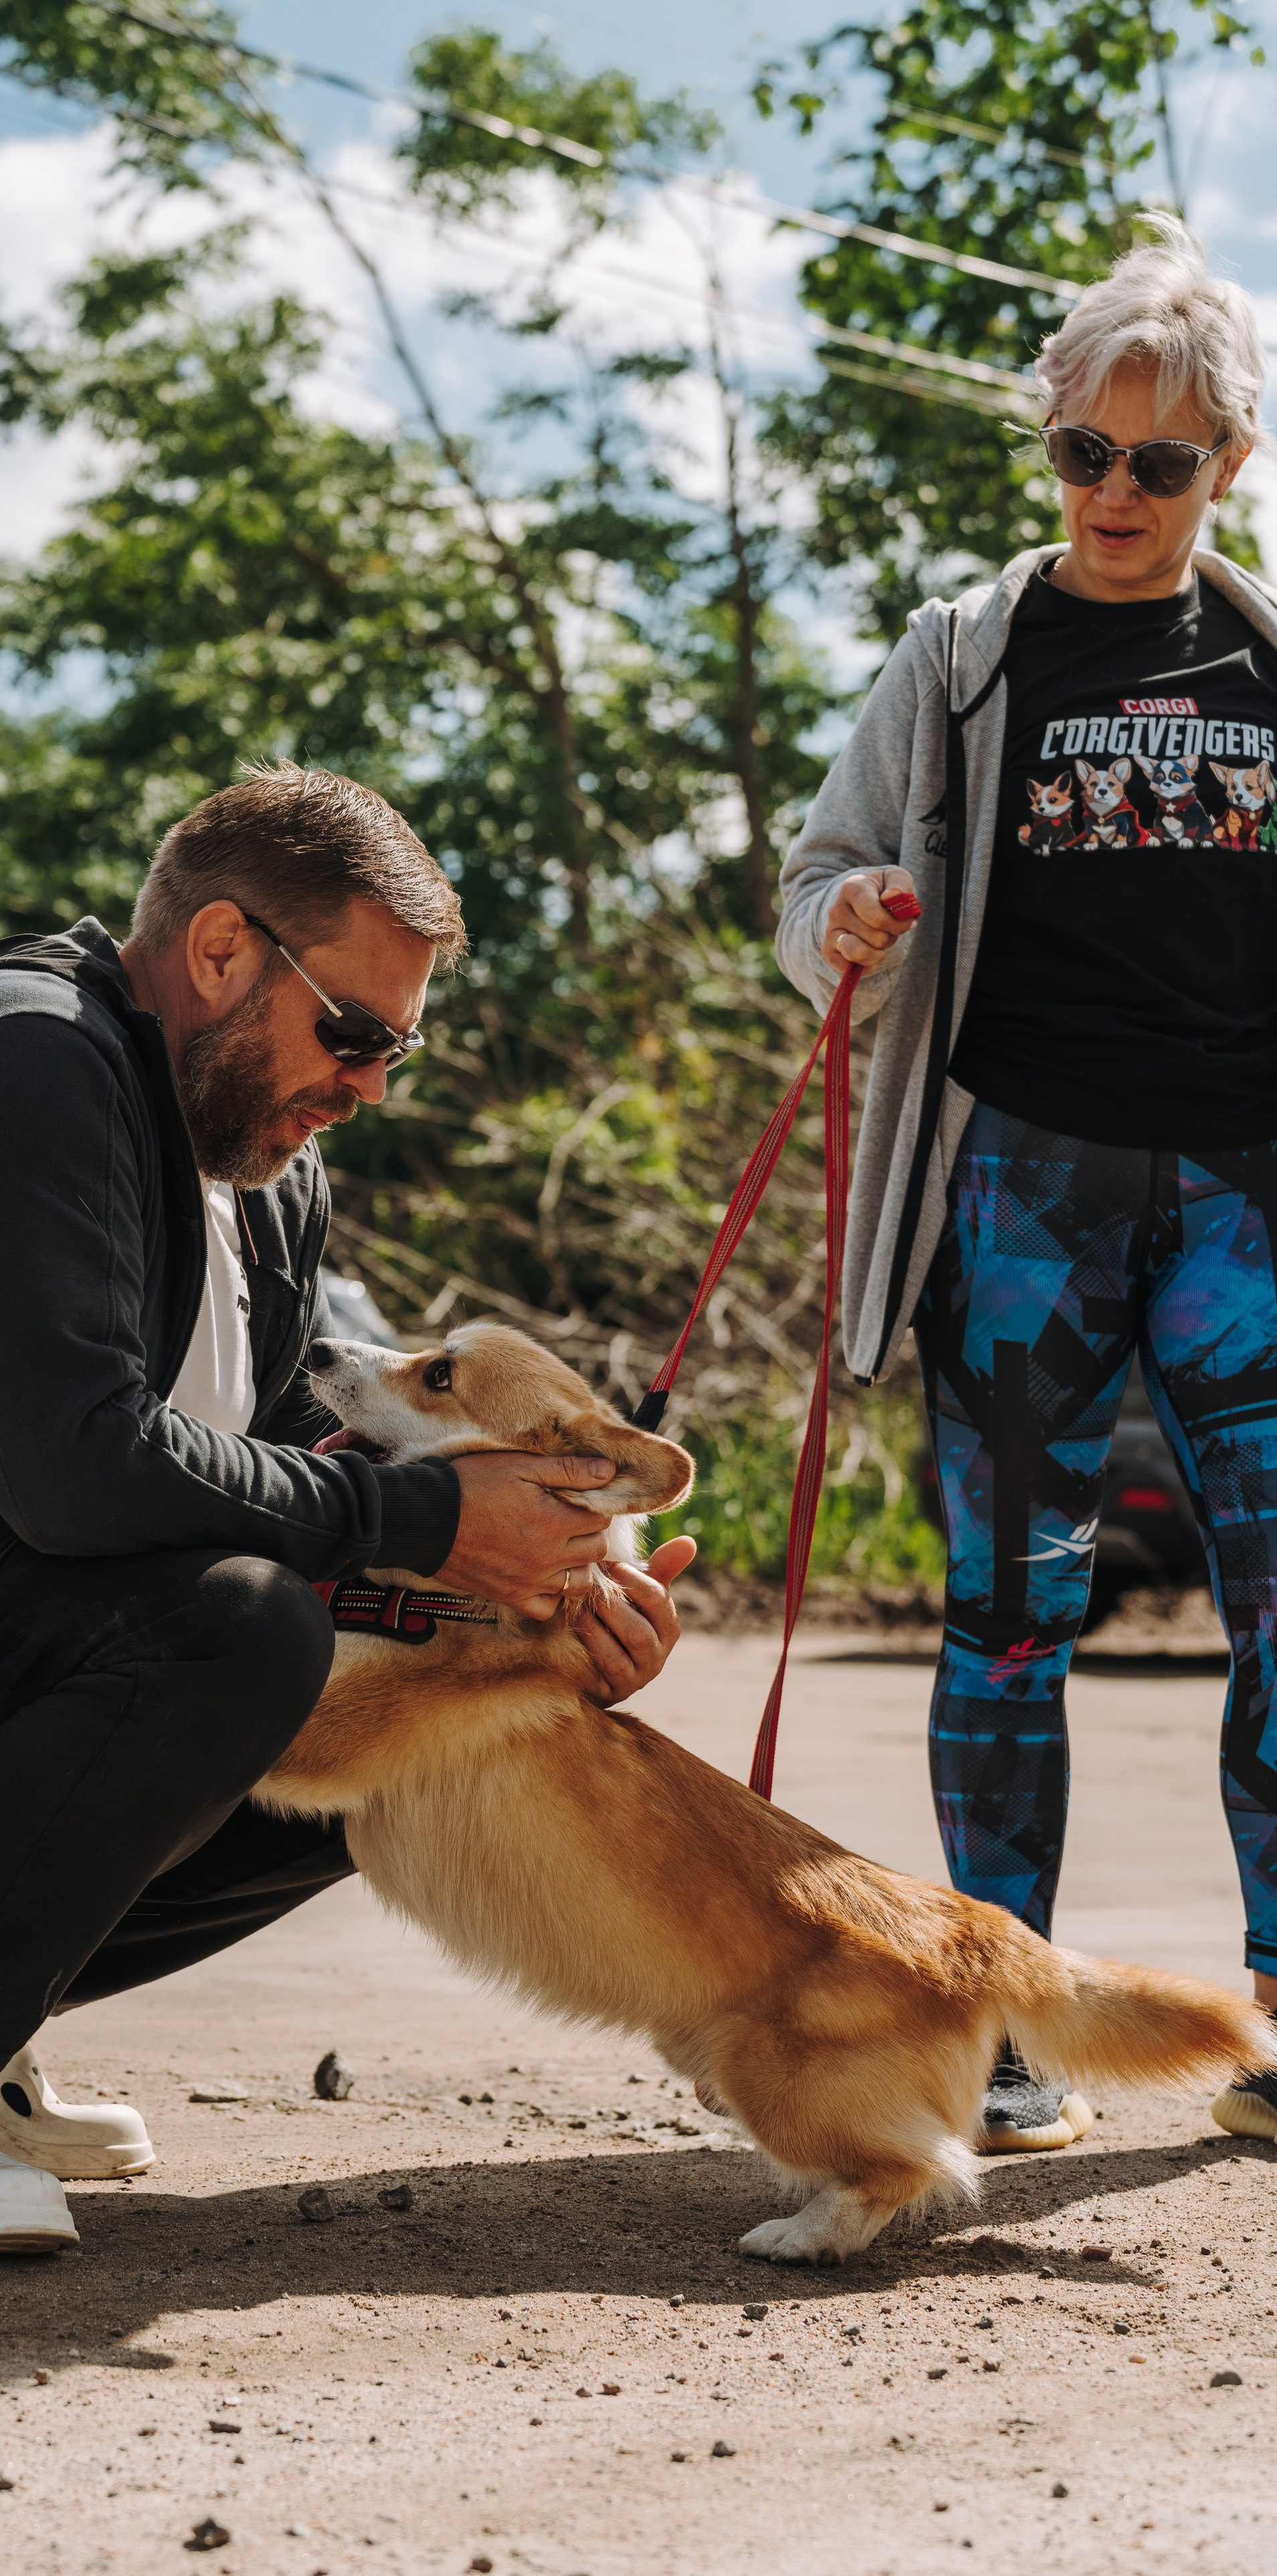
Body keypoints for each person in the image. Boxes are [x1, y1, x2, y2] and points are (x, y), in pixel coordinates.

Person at [0, 763, 692, 2250]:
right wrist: (427, 1524)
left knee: (418, 1715)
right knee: (237, 1628)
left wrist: (533, 1605)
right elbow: (79, 1465)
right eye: (353, 1032)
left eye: (394, 1051)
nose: (366, 1084)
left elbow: (278, 1460)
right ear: (221, 949)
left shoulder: (264, 1172)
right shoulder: (21, 1059)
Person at [776, 219, 1277, 2154]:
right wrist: (851, 919)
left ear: (1227, 460)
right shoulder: (961, 660)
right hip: (1017, 1189)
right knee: (1005, 1614)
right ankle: (1001, 2027)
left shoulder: (1267, 657)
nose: (1116, 492)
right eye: (1084, 451)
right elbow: (812, 879)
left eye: (1160, 461)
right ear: (1048, 437)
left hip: (1247, 1193)